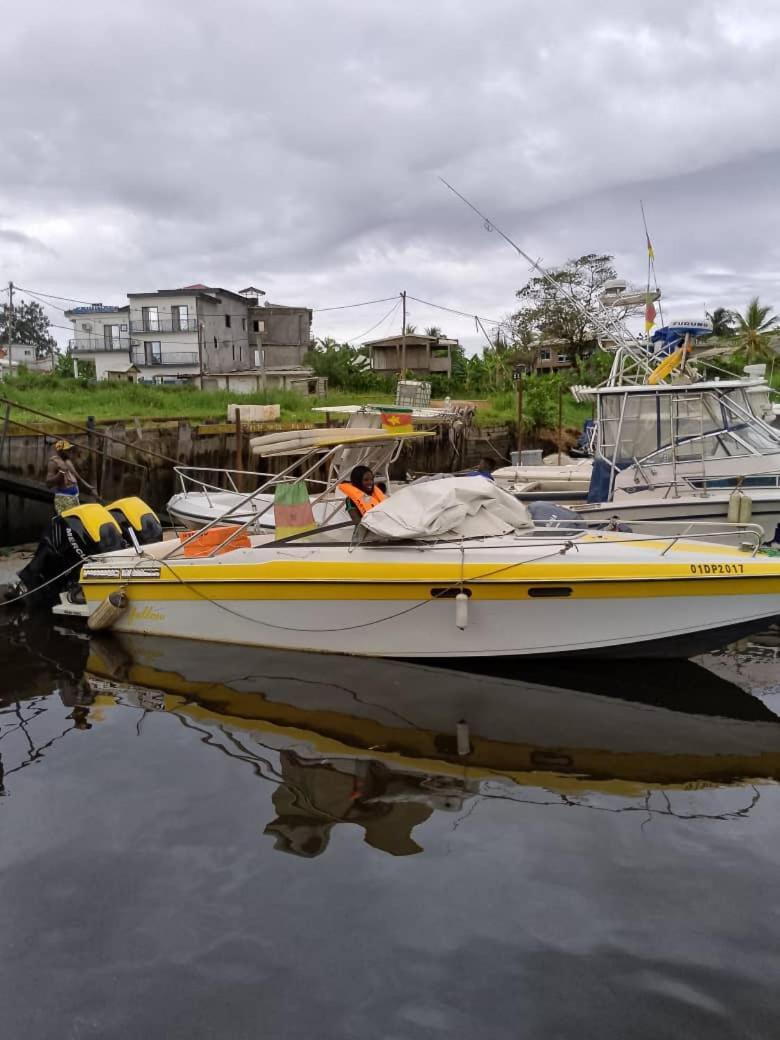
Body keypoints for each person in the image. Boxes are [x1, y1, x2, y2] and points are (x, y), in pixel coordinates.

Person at [46, 440, 96, 515]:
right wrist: (61, 473)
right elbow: (48, 483)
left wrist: (87, 486)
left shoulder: (67, 461)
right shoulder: (53, 463)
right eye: (67, 450)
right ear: (60, 451)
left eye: (70, 449)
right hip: (64, 499)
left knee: (74, 521)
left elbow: (76, 476)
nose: (70, 451)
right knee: (67, 523)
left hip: (74, 498)